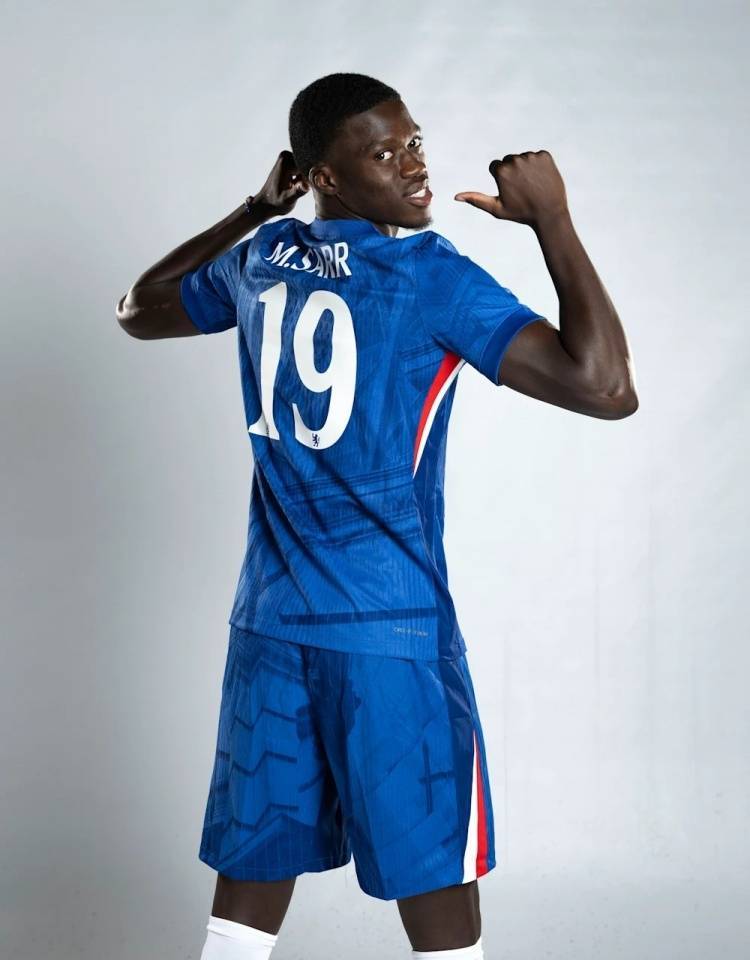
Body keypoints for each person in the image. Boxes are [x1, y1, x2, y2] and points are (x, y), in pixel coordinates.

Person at [116, 72, 637, 960]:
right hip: (388, 632)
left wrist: (257, 208)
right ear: (325, 175)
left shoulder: (263, 256)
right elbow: (606, 388)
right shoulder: (427, 275)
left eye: (415, 143)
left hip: (271, 623)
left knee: (251, 876)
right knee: (432, 876)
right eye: (386, 153)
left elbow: (140, 308)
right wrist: (552, 218)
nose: (415, 167)